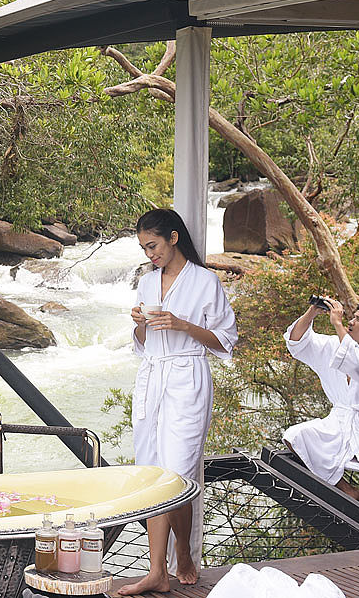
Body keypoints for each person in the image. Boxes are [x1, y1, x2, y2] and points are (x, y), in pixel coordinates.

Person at [118, 209, 238, 596]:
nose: (149, 254)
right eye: (143, 248)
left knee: (179, 474)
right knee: (153, 474)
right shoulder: (147, 282)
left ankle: (183, 551)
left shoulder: (206, 282)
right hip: (152, 379)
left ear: (173, 237)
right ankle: (157, 571)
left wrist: (182, 324)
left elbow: (226, 340)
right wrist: (139, 322)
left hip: (187, 379)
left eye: (152, 246)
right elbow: (142, 341)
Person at [281, 297, 359, 518]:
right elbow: (297, 342)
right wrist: (312, 312)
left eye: (357, 319)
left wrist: (337, 324)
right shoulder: (335, 346)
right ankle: (347, 490)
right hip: (339, 419)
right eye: (351, 317)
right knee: (295, 436)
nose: (350, 322)